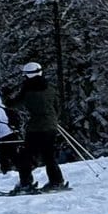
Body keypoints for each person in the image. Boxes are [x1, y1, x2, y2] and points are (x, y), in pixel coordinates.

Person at [6, 62, 65, 193]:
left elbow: (14, 104)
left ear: (28, 75)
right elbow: (57, 106)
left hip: (36, 128)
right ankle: (57, 181)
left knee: (25, 156)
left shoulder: (27, 89)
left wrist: (7, 97)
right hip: (51, 125)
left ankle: (26, 183)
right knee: (49, 155)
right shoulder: (50, 87)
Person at [0, 90, 22, 172]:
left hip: (4, 136)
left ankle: (7, 174)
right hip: (13, 134)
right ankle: (22, 171)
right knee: (14, 155)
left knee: (3, 157)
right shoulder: (4, 109)